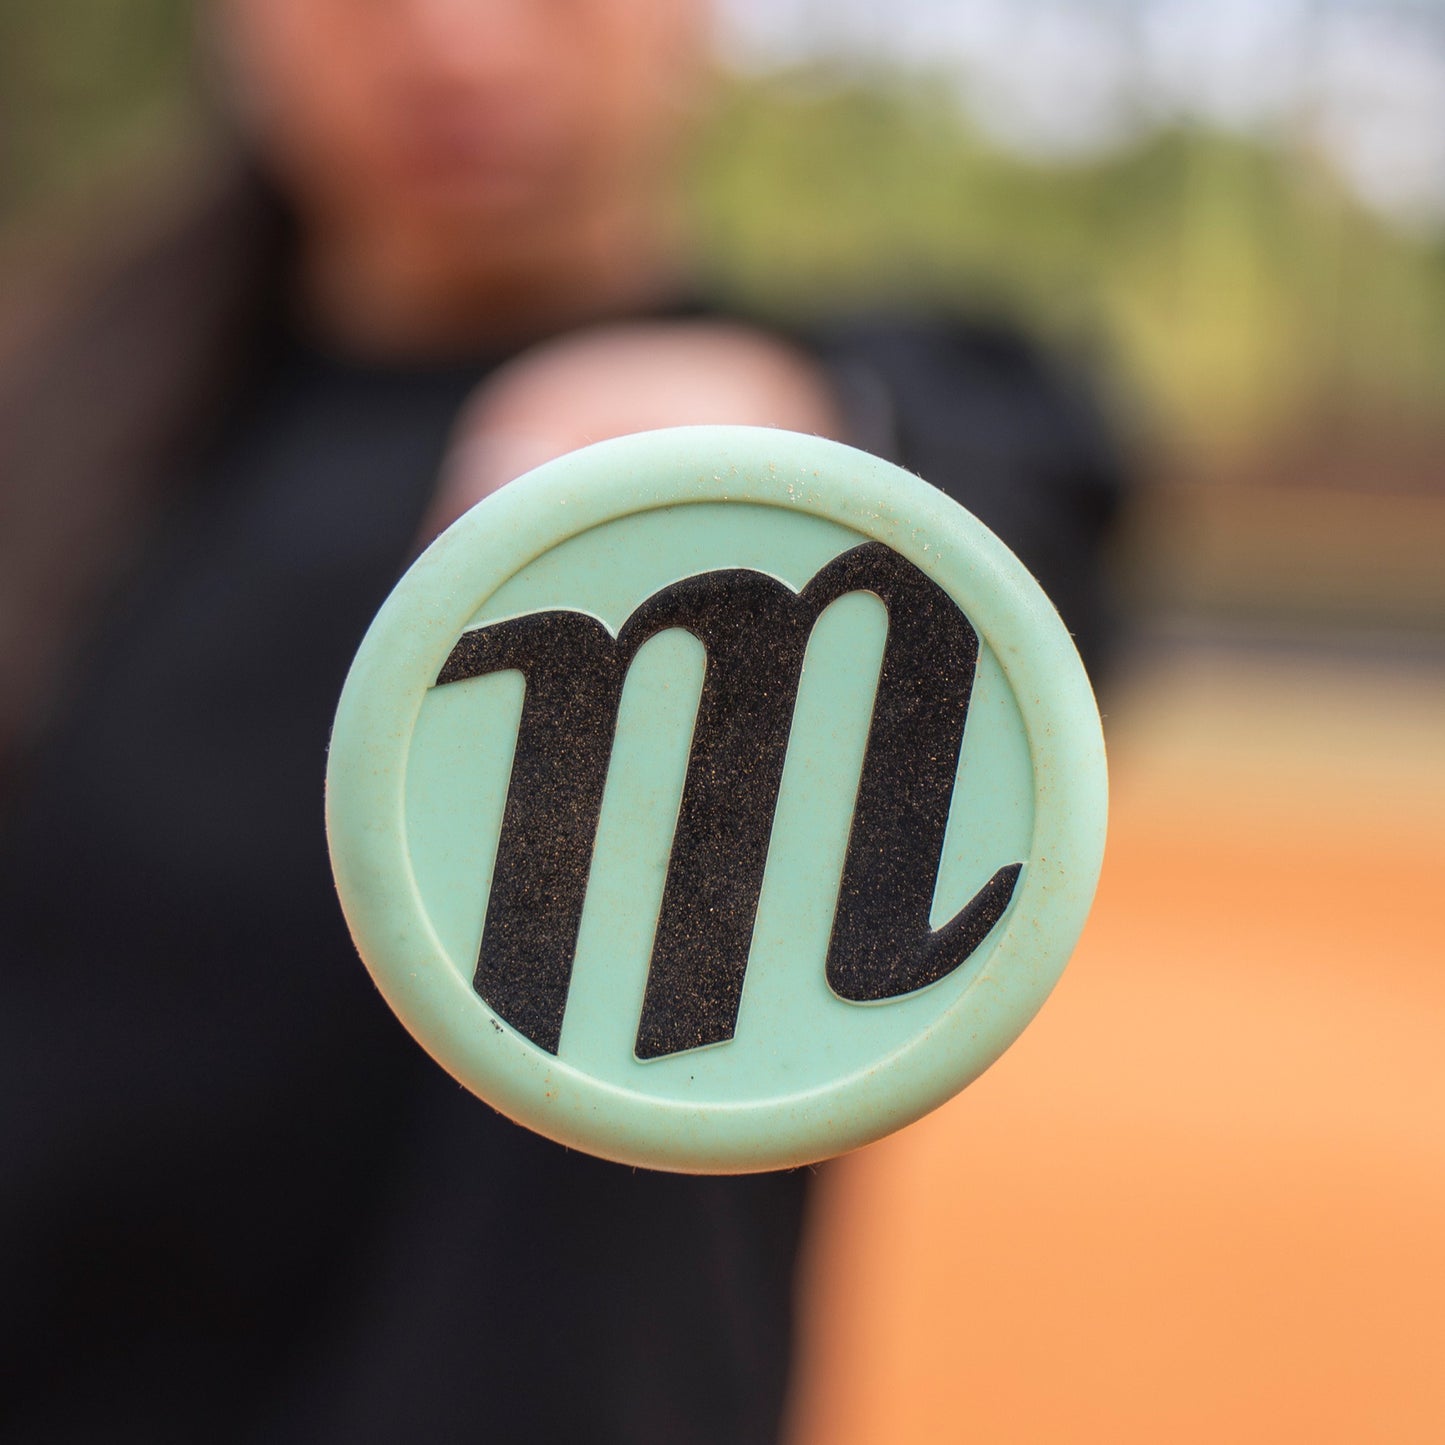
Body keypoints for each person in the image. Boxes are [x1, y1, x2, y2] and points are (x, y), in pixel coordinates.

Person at [0, 2, 1124, 1441]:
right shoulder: (79, 436)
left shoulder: (831, 470)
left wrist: (786, 438)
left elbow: (1019, 492)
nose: (461, 41)